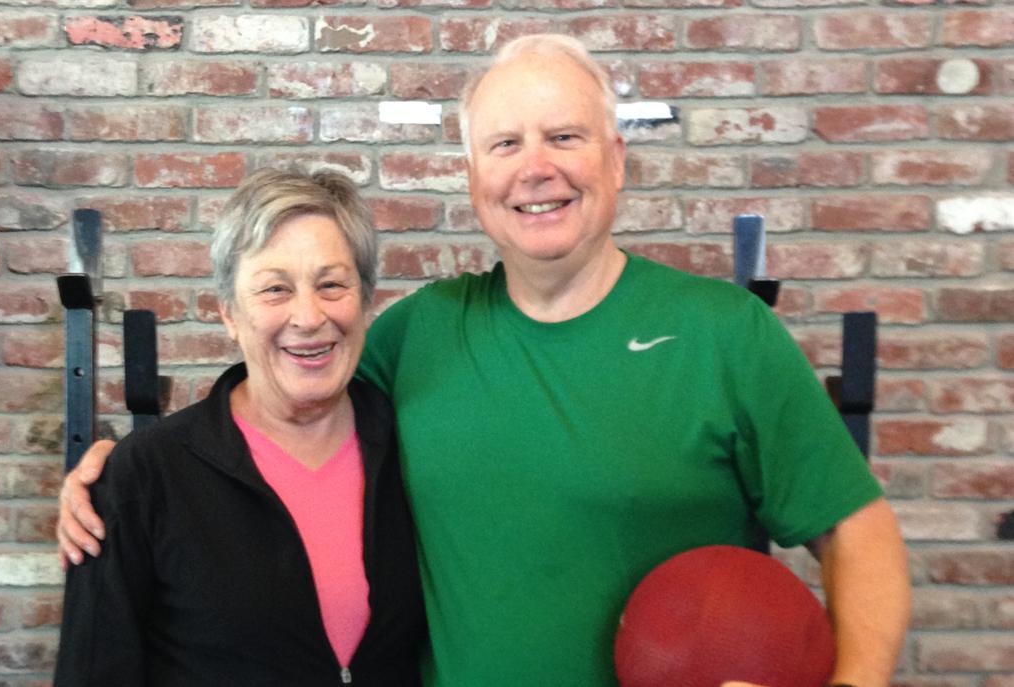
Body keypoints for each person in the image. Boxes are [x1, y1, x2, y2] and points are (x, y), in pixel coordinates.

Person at [58, 35, 910, 687]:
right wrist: (123, 477)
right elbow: (285, 400)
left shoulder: (726, 334)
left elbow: (859, 531)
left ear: (616, 158)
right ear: (472, 178)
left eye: (564, 136)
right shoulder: (415, 336)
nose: (536, 168)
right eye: (505, 144)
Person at [53, 169, 426, 686]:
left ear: (365, 300)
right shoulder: (144, 474)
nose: (308, 316)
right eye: (275, 289)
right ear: (229, 313)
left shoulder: (415, 447)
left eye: (331, 284)